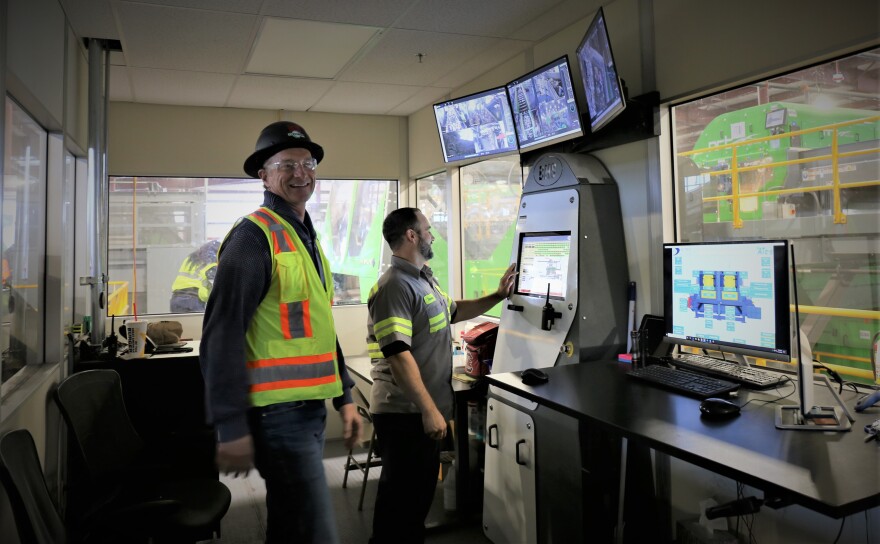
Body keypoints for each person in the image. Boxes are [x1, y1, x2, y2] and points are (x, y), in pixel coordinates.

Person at [200, 121, 362, 544]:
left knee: (291, 526)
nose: (300, 173)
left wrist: (344, 396)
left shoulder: (305, 237)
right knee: (316, 531)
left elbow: (320, 327)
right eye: (287, 164)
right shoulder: (254, 238)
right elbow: (220, 335)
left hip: (307, 410)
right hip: (277, 417)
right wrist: (230, 425)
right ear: (264, 175)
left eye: (307, 163)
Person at [365, 207, 516, 543]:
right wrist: (429, 409)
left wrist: (497, 296)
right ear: (411, 235)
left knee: (415, 503)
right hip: (405, 414)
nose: (432, 235)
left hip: (419, 412)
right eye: (428, 229)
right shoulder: (394, 286)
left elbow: (454, 312)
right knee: (400, 506)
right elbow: (398, 354)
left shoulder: (422, 280)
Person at [169, 240, 220, 312]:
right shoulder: (211, 263)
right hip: (192, 300)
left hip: (176, 299)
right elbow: (216, 286)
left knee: (182, 323)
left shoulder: (190, 260)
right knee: (198, 322)